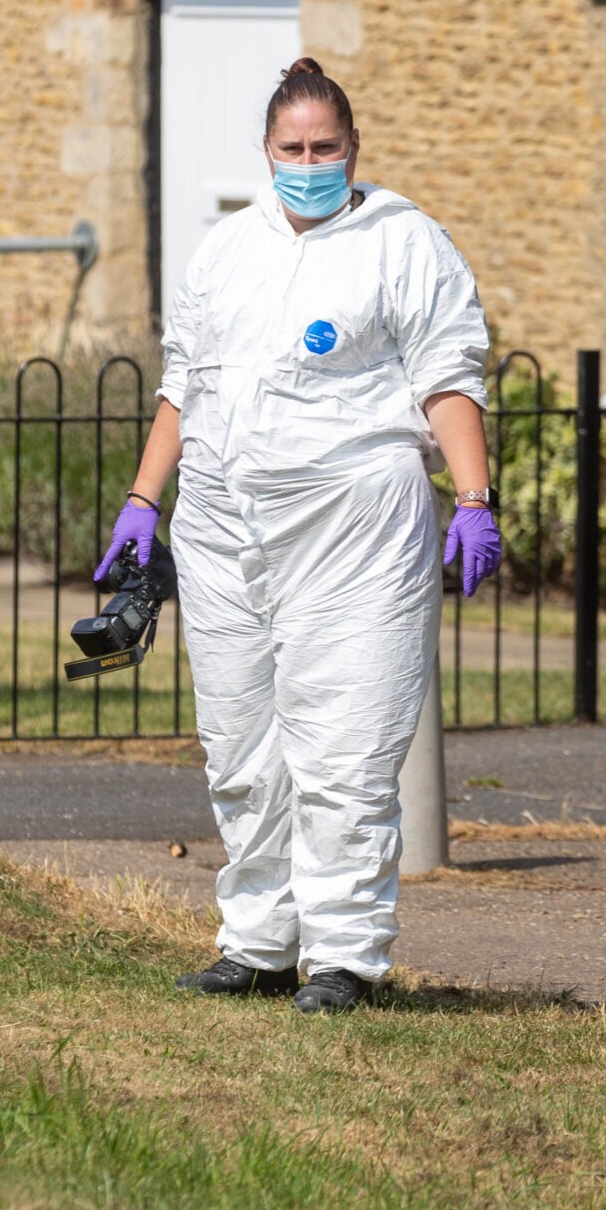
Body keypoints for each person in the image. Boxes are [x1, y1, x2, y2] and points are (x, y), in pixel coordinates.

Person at [95, 57, 501, 1015]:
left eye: (326, 147)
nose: (309, 162)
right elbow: (184, 384)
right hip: (228, 525)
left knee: (345, 746)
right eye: (292, 148)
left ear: (353, 148)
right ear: (265, 152)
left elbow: (450, 376)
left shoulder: (406, 243)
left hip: (355, 528)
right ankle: (259, 941)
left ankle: (344, 955)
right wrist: (144, 503)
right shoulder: (227, 249)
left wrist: (474, 498)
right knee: (242, 745)